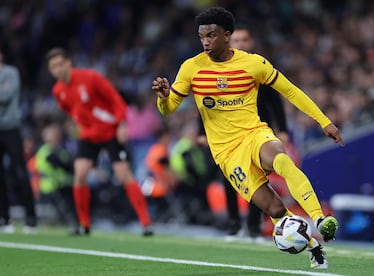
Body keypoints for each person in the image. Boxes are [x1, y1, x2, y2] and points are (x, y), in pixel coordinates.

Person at [152, 7, 344, 269]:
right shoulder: (191, 67)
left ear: (227, 35)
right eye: (202, 36)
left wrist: (325, 121)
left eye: (211, 35)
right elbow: (169, 108)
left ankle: (320, 219)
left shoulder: (254, 63)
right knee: (275, 210)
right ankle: (314, 246)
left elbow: (291, 92)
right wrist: (163, 98)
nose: (206, 41)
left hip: (254, 134)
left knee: (282, 160)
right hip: (227, 154)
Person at [46, 47, 153, 236]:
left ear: (68, 63)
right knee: (80, 175)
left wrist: (121, 124)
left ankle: (146, 223)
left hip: (110, 131)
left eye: (60, 64)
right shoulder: (58, 91)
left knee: (123, 174)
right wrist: (77, 122)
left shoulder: (90, 77)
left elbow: (114, 98)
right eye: (53, 67)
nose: (58, 69)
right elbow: (69, 109)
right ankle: (84, 224)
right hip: (88, 135)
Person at [221, 25, 290, 240]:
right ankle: (233, 225)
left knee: (259, 179)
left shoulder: (258, 66)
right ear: (229, 43)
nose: (241, 44)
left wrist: (283, 129)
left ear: (250, 43)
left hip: (258, 132)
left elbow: (275, 100)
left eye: (245, 40)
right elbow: (207, 104)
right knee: (229, 179)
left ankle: (253, 227)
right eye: (237, 40)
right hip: (228, 135)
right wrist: (201, 131)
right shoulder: (219, 69)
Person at [0, 48, 37, 234]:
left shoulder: (10, 73)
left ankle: (31, 218)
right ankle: (4, 219)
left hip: (11, 127)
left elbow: (5, 97)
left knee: (20, 171)